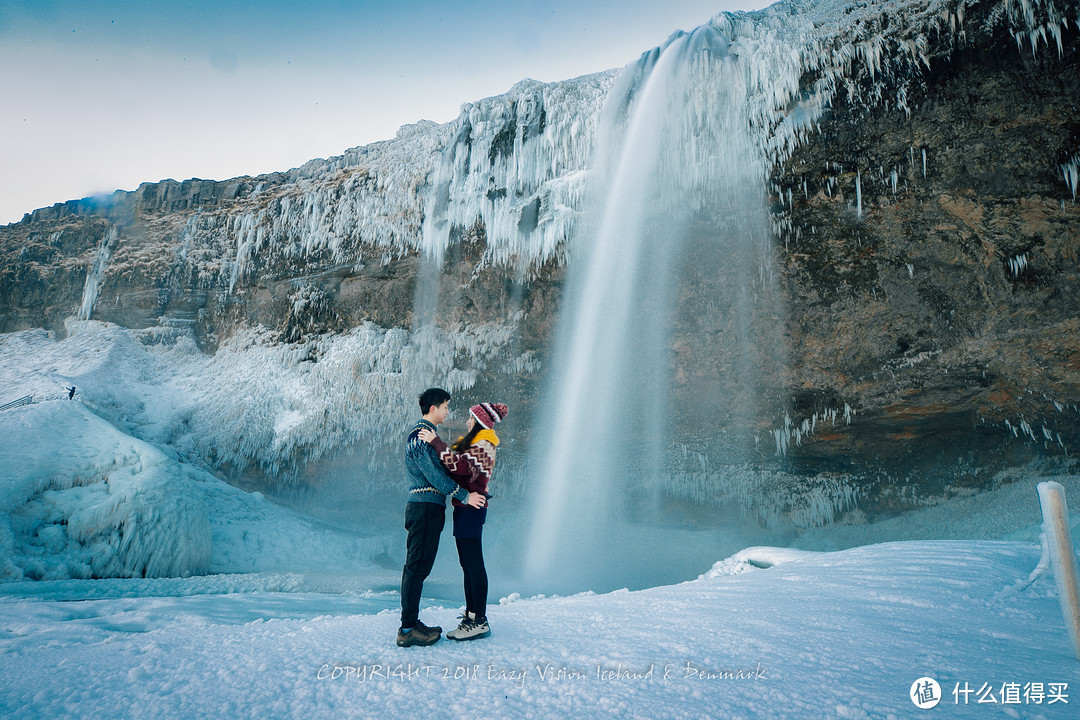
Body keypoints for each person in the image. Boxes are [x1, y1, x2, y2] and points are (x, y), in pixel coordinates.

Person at [398, 388, 486, 648]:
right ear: (433, 408)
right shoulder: (420, 437)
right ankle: (407, 628)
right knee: (416, 567)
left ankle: (411, 623)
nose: (449, 411)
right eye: (446, 406)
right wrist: (463, 494)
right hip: (424, 508)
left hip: (428, 507)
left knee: (420, 566)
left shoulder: (427, 435)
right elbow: (433, 475)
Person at [418, 401, 508, 641]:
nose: (467, 422)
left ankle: (479, 620)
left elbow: (460, 467)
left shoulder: (484, 443)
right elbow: (457, 468)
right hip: (465, 508)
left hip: (471, 509)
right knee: (467, 564)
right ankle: (471, 616)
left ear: (479, 421)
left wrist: (435, 442)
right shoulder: (476, 443)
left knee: (473, 563)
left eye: (471, 418)